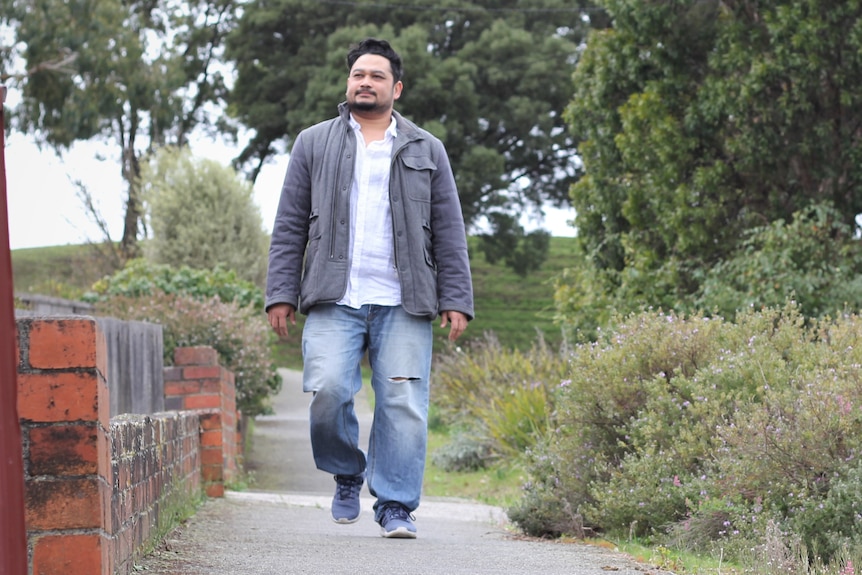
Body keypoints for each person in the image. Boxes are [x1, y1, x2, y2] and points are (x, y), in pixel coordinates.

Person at [265, 38, 474, 539]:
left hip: (405, 299)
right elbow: (290, 222)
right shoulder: (313, 142)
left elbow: (448, 226)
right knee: (328, 391)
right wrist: (280, 292)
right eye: (358, 74)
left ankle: (396, 505)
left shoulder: (428, 148)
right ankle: (346, 469)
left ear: (396, 88)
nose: (365, 82)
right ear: (348, 83)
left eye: (377, 76)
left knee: (403, 403)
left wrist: (456, 298)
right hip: (334, 295)